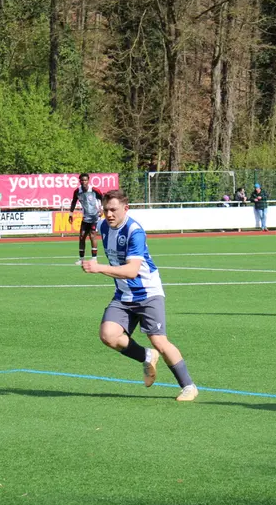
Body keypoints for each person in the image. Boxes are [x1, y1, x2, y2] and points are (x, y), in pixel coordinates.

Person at [82, 190, 198, 402]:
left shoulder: (135, 231)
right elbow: (91, 229)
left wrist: (98, 268)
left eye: (113, 210)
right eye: (106, 210)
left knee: (160, 342)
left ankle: (189, 386)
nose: (109, 214)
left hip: (147, 293)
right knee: (108, 335)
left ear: (126, 209)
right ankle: (147, 356)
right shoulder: (103, 226)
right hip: (124, 294)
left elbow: (131, 271)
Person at [68, 172, 104, 265]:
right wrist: (71, 213)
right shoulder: (77, 191)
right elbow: (74, 202)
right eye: (82, 180)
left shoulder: (94, 190)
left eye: (85, 180)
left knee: (92, 236)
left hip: (95, 216)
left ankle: (94, 258)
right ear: (80, 181)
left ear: (88, 181)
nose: (84, 182)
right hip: (85, 217)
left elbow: (103, 198)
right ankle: (81, 259)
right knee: (81, 236)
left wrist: (102, 209)